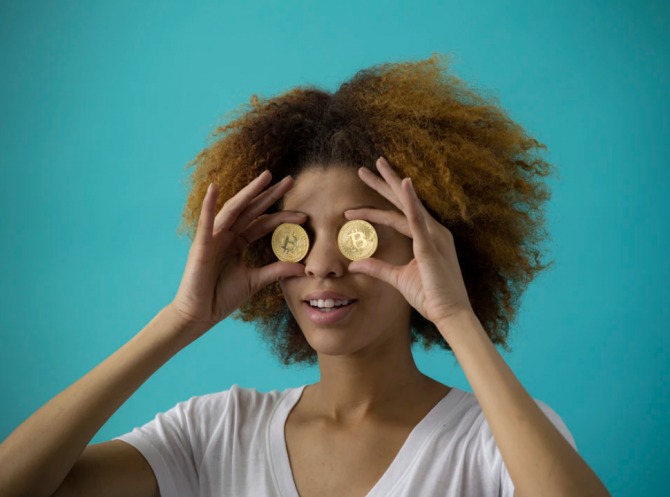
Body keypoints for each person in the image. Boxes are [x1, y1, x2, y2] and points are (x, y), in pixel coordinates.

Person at [0, 53, 611, 497]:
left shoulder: (497, 440)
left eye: (358, 233)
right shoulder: (215, 434)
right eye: (297, 235)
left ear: (430, 248)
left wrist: (456, 317)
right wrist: (179, 321)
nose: (322, 263)